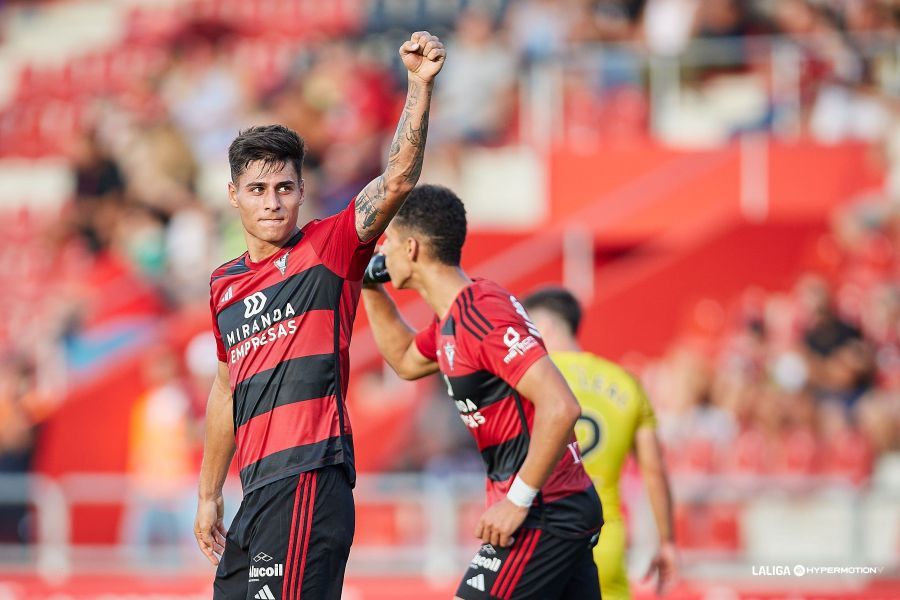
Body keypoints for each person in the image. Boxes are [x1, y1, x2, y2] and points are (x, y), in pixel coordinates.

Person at [193, 32, 446, 600]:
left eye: (284, 187)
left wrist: (418, 86)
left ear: (303, 190)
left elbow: (398, 179)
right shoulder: (223, 284)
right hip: (256, 492)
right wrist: (209, 493)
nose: (272, 201)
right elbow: (226, 388)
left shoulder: (329, 246)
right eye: (258, 189)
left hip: (309, 474)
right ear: (233, 195)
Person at [361, 185, 602, 600]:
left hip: (544, 509)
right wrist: (367, 283)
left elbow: (561, 406)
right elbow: (404, 360)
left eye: (389, 241)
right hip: (558, 505)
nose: (383, 251)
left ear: (412, 248)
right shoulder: (454, 318)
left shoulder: (481, 313)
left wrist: (517, 501)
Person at [521, 287, 678, 598]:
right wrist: (667, 541)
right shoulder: (626, 382)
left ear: (545, 327)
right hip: (604, 538)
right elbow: (654, 471)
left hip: (540, 537)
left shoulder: (528, 379)